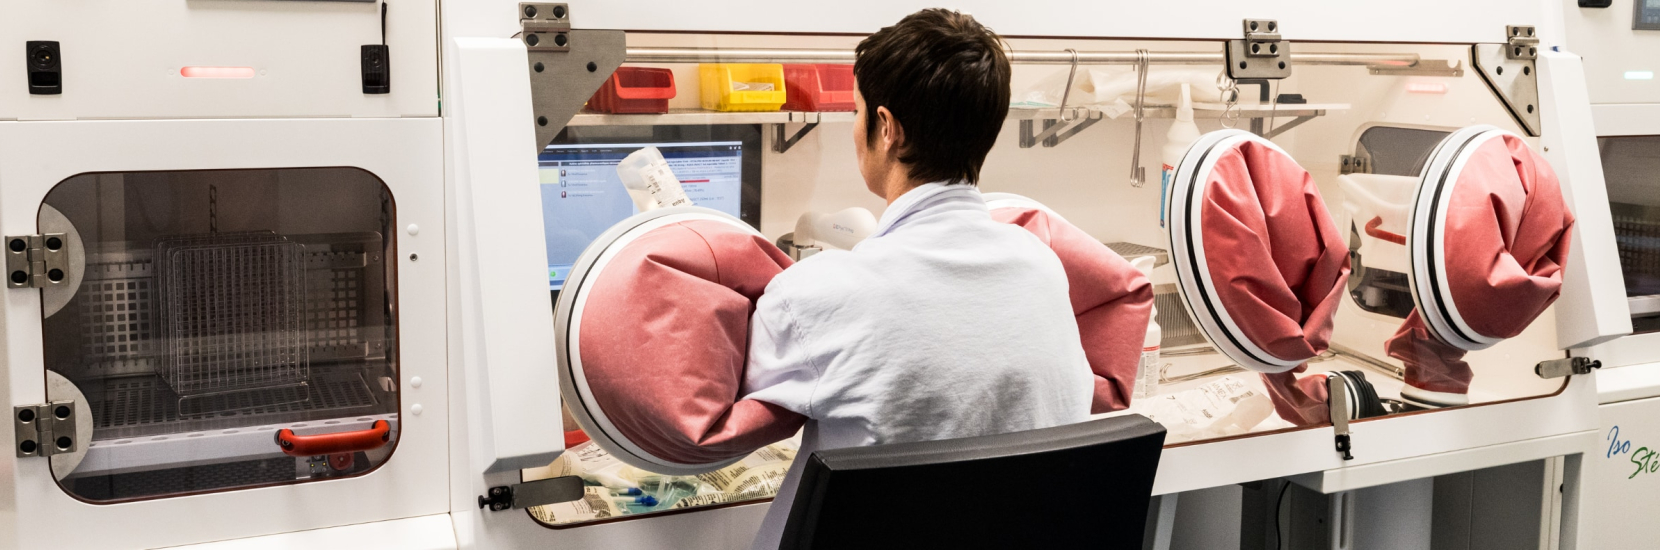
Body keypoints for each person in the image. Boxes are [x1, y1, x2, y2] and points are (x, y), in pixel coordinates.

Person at [741, 9, 1092, 548]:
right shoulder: (1042, 264)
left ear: (887, 128)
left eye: (857, 112)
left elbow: (732, 402)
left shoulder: (818, 292)